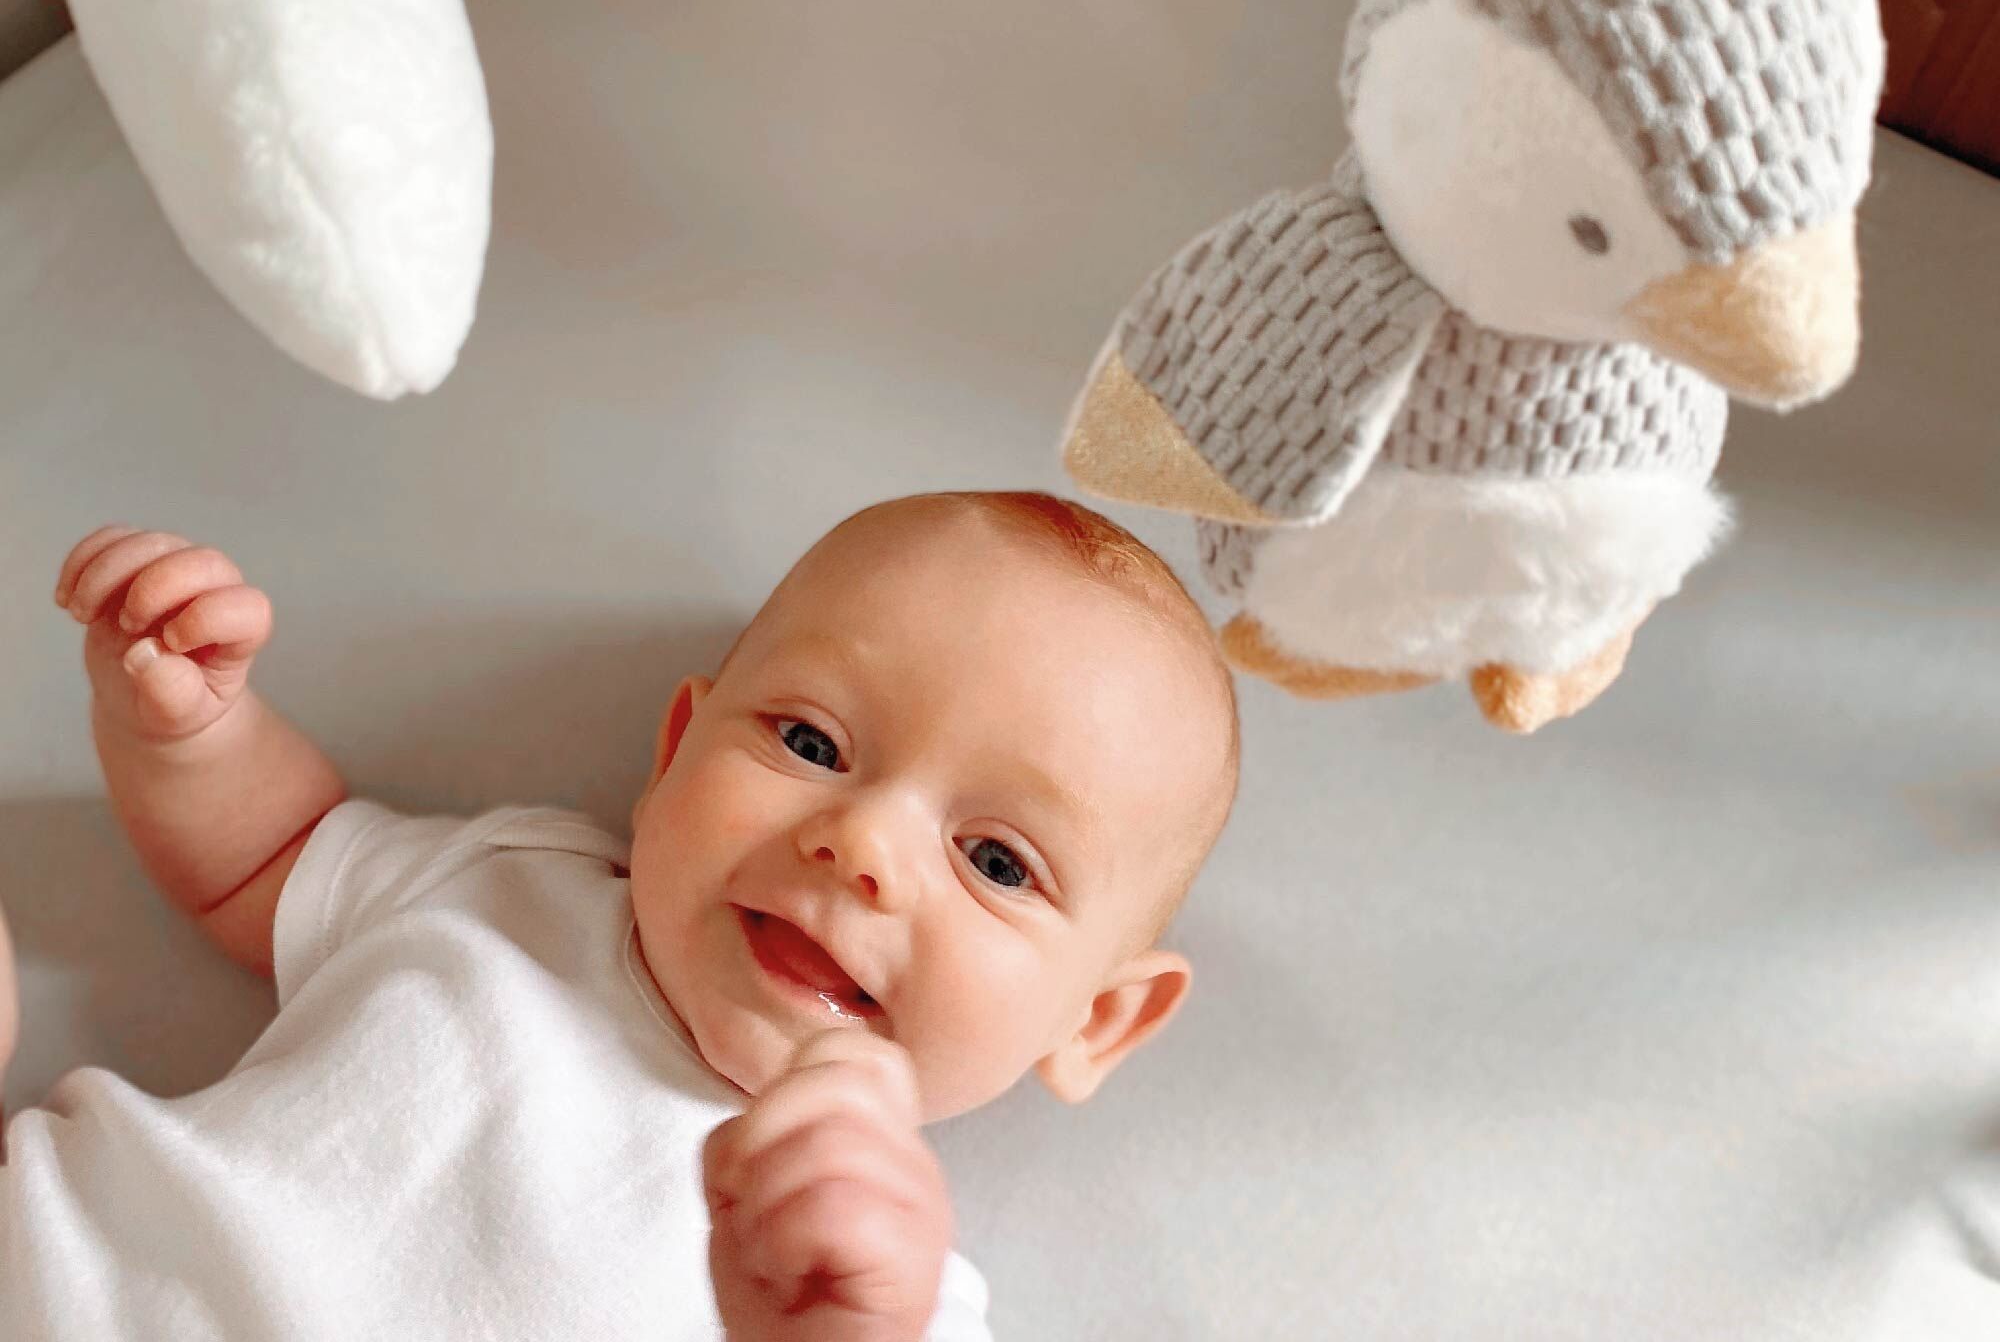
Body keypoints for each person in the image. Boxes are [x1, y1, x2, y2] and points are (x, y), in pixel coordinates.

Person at [2, 491, 1239, 1340]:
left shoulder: (884, 1291)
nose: (861, 843)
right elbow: (267, 855)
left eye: (997, 860)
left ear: (1098, 1018)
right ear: (674, 751)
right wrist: (187, 729)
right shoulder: (507, 884)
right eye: (810, 741)